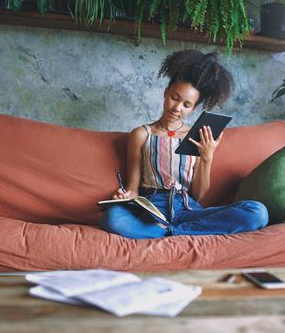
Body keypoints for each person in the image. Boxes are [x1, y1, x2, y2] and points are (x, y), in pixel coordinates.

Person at [101, 49, 268, 239]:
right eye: (174, 97)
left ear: (194, 108)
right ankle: (183, 231)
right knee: (112, 217)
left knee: (257, 212)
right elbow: (133, 187)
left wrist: (207, 157)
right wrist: (125, 196)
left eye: (186, 105)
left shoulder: (198, 135)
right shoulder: (141, 134)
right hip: (153, 211)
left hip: (189, 210)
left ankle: (171, 232)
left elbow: (200, 194)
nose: (177, 108)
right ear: (166, 93)